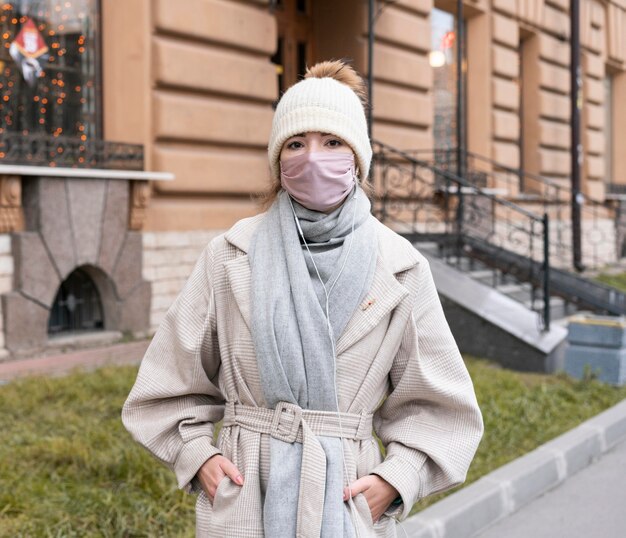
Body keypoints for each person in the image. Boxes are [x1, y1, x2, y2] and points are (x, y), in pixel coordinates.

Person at [122, 59, 484, 538]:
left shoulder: (399, 266)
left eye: (332, 142)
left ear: (356, 155)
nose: (313, 157)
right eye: (296, 143)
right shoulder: (231, 254)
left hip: (347, 500)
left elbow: (443, 407)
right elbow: (167, 382)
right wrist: (198, 457)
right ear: (278, 161)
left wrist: (396, 479)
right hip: (246, 491)